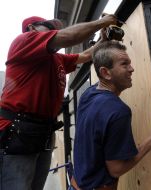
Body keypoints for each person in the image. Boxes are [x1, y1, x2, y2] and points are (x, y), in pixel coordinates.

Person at [0, 14, 118, 190]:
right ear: (32, 29)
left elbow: (85, 56)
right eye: (48, 26)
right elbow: (69, 37)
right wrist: (103, 21)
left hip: (42, 133)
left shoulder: (56, 59)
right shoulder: (24, 41)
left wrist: (102, 39)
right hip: (17, 132)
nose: (54, 30)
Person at [74, 41, 151, 190]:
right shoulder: (118, 111)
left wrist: (104, 43)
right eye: (124, 64)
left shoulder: (88, 95)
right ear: (106, 73)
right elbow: (116, 169)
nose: (131, 69)